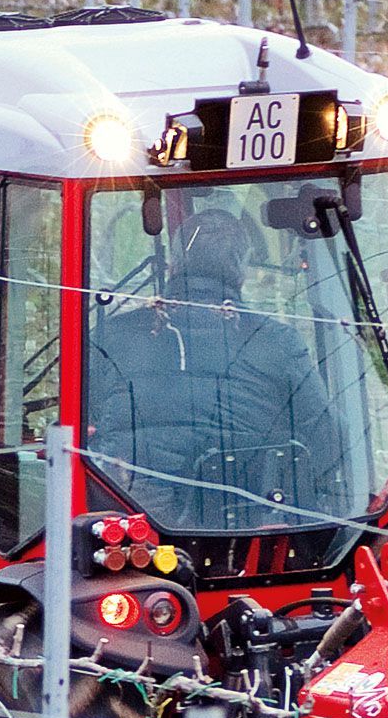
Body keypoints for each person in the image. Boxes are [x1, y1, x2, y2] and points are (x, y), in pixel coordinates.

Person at [84, 205, 345, 529]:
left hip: (135, 535)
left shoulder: (112, 337)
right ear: (242, 272)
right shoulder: (277, 343)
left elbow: (82, 429)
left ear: (172, 265)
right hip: (250, 539)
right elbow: (329, 439)